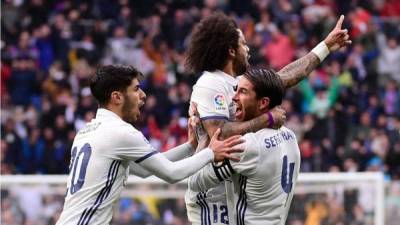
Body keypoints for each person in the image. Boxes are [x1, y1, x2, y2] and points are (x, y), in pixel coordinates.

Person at [184, 12, 351, 225]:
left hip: (233, 188)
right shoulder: (210, 84)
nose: (249, 49)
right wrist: (266, 120)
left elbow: (285, 77)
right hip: (212, 200)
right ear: (231, 51)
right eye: (244, 44)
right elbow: (218, 133)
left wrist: (324, 47)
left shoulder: (238, 83)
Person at [55, 65, 244, 225]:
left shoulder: (87, 132)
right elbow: (171, 173)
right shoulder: (121, 132)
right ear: (117, 97)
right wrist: (211, 152)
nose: (143, 95)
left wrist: (190, 146)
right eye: (136, 89)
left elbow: (145, 170)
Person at [188, 68, 300, 225]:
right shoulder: (290, 136)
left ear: (263, 103)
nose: (234, 98)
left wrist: (203, 135)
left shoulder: (246, 146)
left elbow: (195, 182)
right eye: (236, 90)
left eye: (243, 92)